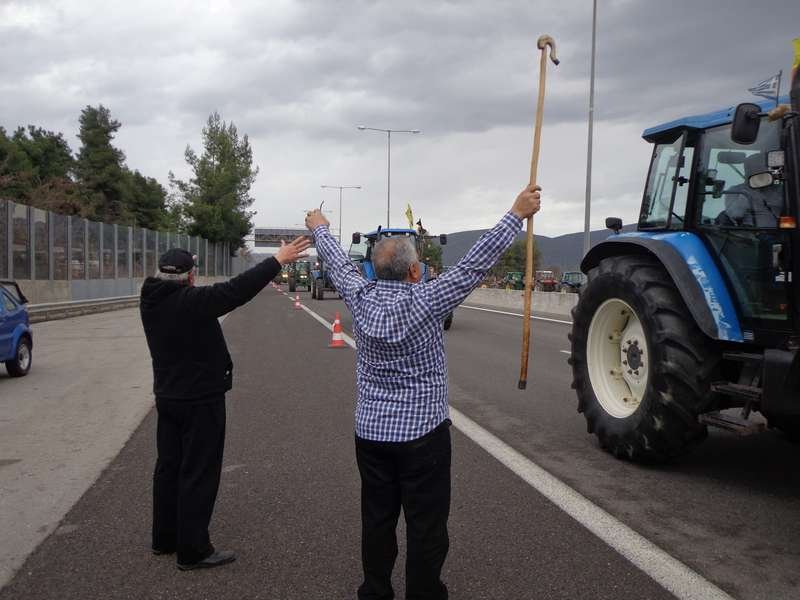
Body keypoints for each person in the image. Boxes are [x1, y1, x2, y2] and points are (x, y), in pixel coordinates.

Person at [305, 184, 542, 599]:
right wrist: (516, 214)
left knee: (377, 520)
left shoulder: (360, 298)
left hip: (372, 434)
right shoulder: (428, 300)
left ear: (374, 271)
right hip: (424, 437)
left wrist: (320, 228)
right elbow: (472, 266)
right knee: (427, 525)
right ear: (415, 271)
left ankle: (375, 591)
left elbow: (339, 265)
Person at [140, 237, 310, 570]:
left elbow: (227, 290)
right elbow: (236, 290)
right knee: (199, 472)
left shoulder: (150, 299)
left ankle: (164, 537)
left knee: (168, 468)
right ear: (190, 277)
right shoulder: (191, 302)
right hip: (200, 399)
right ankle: (193, 550)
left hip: (168, 396)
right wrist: (278, 259)